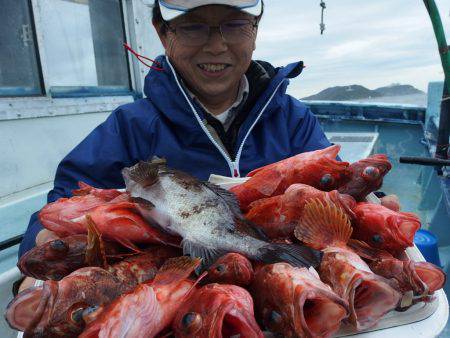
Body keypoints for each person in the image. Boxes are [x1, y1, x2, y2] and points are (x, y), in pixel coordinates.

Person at [17, 0, 333, 289]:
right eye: (192, 26)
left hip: (285, 283)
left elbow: (339, 195)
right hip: (174, 287)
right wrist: (41, 252)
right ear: (162, 33)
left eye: (235, 25)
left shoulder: (294, 120)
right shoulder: (129, 127)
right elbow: (59, 209)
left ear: (256, 28)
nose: (216, 45)